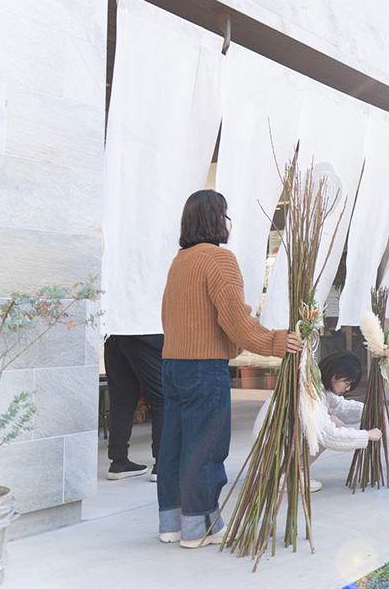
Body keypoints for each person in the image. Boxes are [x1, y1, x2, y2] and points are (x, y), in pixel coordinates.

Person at [158, 189, 301, 549]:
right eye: (225, 215)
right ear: (215, 220)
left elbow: (177, 316)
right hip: (204, 366)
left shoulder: (180, 261)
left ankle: (172, 524)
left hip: (172, 363)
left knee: (174, 446)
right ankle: (199, 527)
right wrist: (277, 341)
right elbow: (236, 320)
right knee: (206, 447)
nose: (229, 222)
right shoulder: (219, 259)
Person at [251, 351, 382, 491]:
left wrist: (369, 410)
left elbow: (340, 406)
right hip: (273, 455)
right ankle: (286, 475)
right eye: (346, 383)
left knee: (333, 420)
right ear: (334, 375)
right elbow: (329, 435)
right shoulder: (309, 391)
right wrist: (366, 435)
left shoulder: (317, 386)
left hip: (276, 450)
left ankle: (288, 472)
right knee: (327, 426)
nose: (348, 388)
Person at [104, 334, 165, 481]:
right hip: (145, 333)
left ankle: (118, 462)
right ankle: (163, 465)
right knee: (163, 400)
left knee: (121, 400)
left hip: (114, 334)